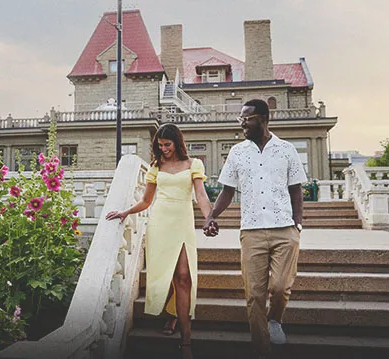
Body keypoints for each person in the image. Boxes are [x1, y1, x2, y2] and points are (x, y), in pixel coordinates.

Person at [203, 99, 306, 359]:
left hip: (284, 229)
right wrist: (211, 216)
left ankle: (275, 320)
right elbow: (227, 190)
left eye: (246, 118)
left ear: (262, 118)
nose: (242, 123)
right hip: (252, 232)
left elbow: (296, 189)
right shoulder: (237, 152)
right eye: (241, 118)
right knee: (254, 296)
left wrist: (298, 223)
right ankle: (262, 350)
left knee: (281, 287)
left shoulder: (286, 150)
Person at [106, 123, 212, 358]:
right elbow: (146, 201)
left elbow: (201, 195)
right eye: (160, 145)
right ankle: (172, 315)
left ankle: (186, 341)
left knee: (184, 276)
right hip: (160, 223)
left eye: (167, 144)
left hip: (182, 222)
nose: (163, 149)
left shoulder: (193, 164)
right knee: (168, 274)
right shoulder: (156, 167)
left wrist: (209, 218)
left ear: (177, 142)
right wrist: (125, 212)